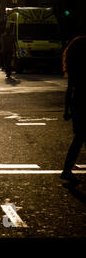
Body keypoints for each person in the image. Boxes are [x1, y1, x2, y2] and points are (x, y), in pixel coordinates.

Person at [61, 36, 86, 184]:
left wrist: (66, 109)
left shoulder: (75, 70)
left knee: (79, 137)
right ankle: (66, 170)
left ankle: (67, 169)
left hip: (78, 102)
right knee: (80, 137)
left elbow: (69, 89)